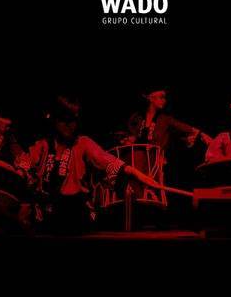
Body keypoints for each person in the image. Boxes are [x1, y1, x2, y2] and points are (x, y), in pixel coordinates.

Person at [16, 96, 161, 234]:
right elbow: (23, 165)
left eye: (73, 120)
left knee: (72, 209)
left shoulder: (82, 143)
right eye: (64, 120)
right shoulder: (43, 146)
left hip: (77, 210)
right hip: (49, 211)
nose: (69, 125)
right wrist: (22, 175)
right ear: (55, 120)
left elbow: (110, 162)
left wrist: (141, 176)